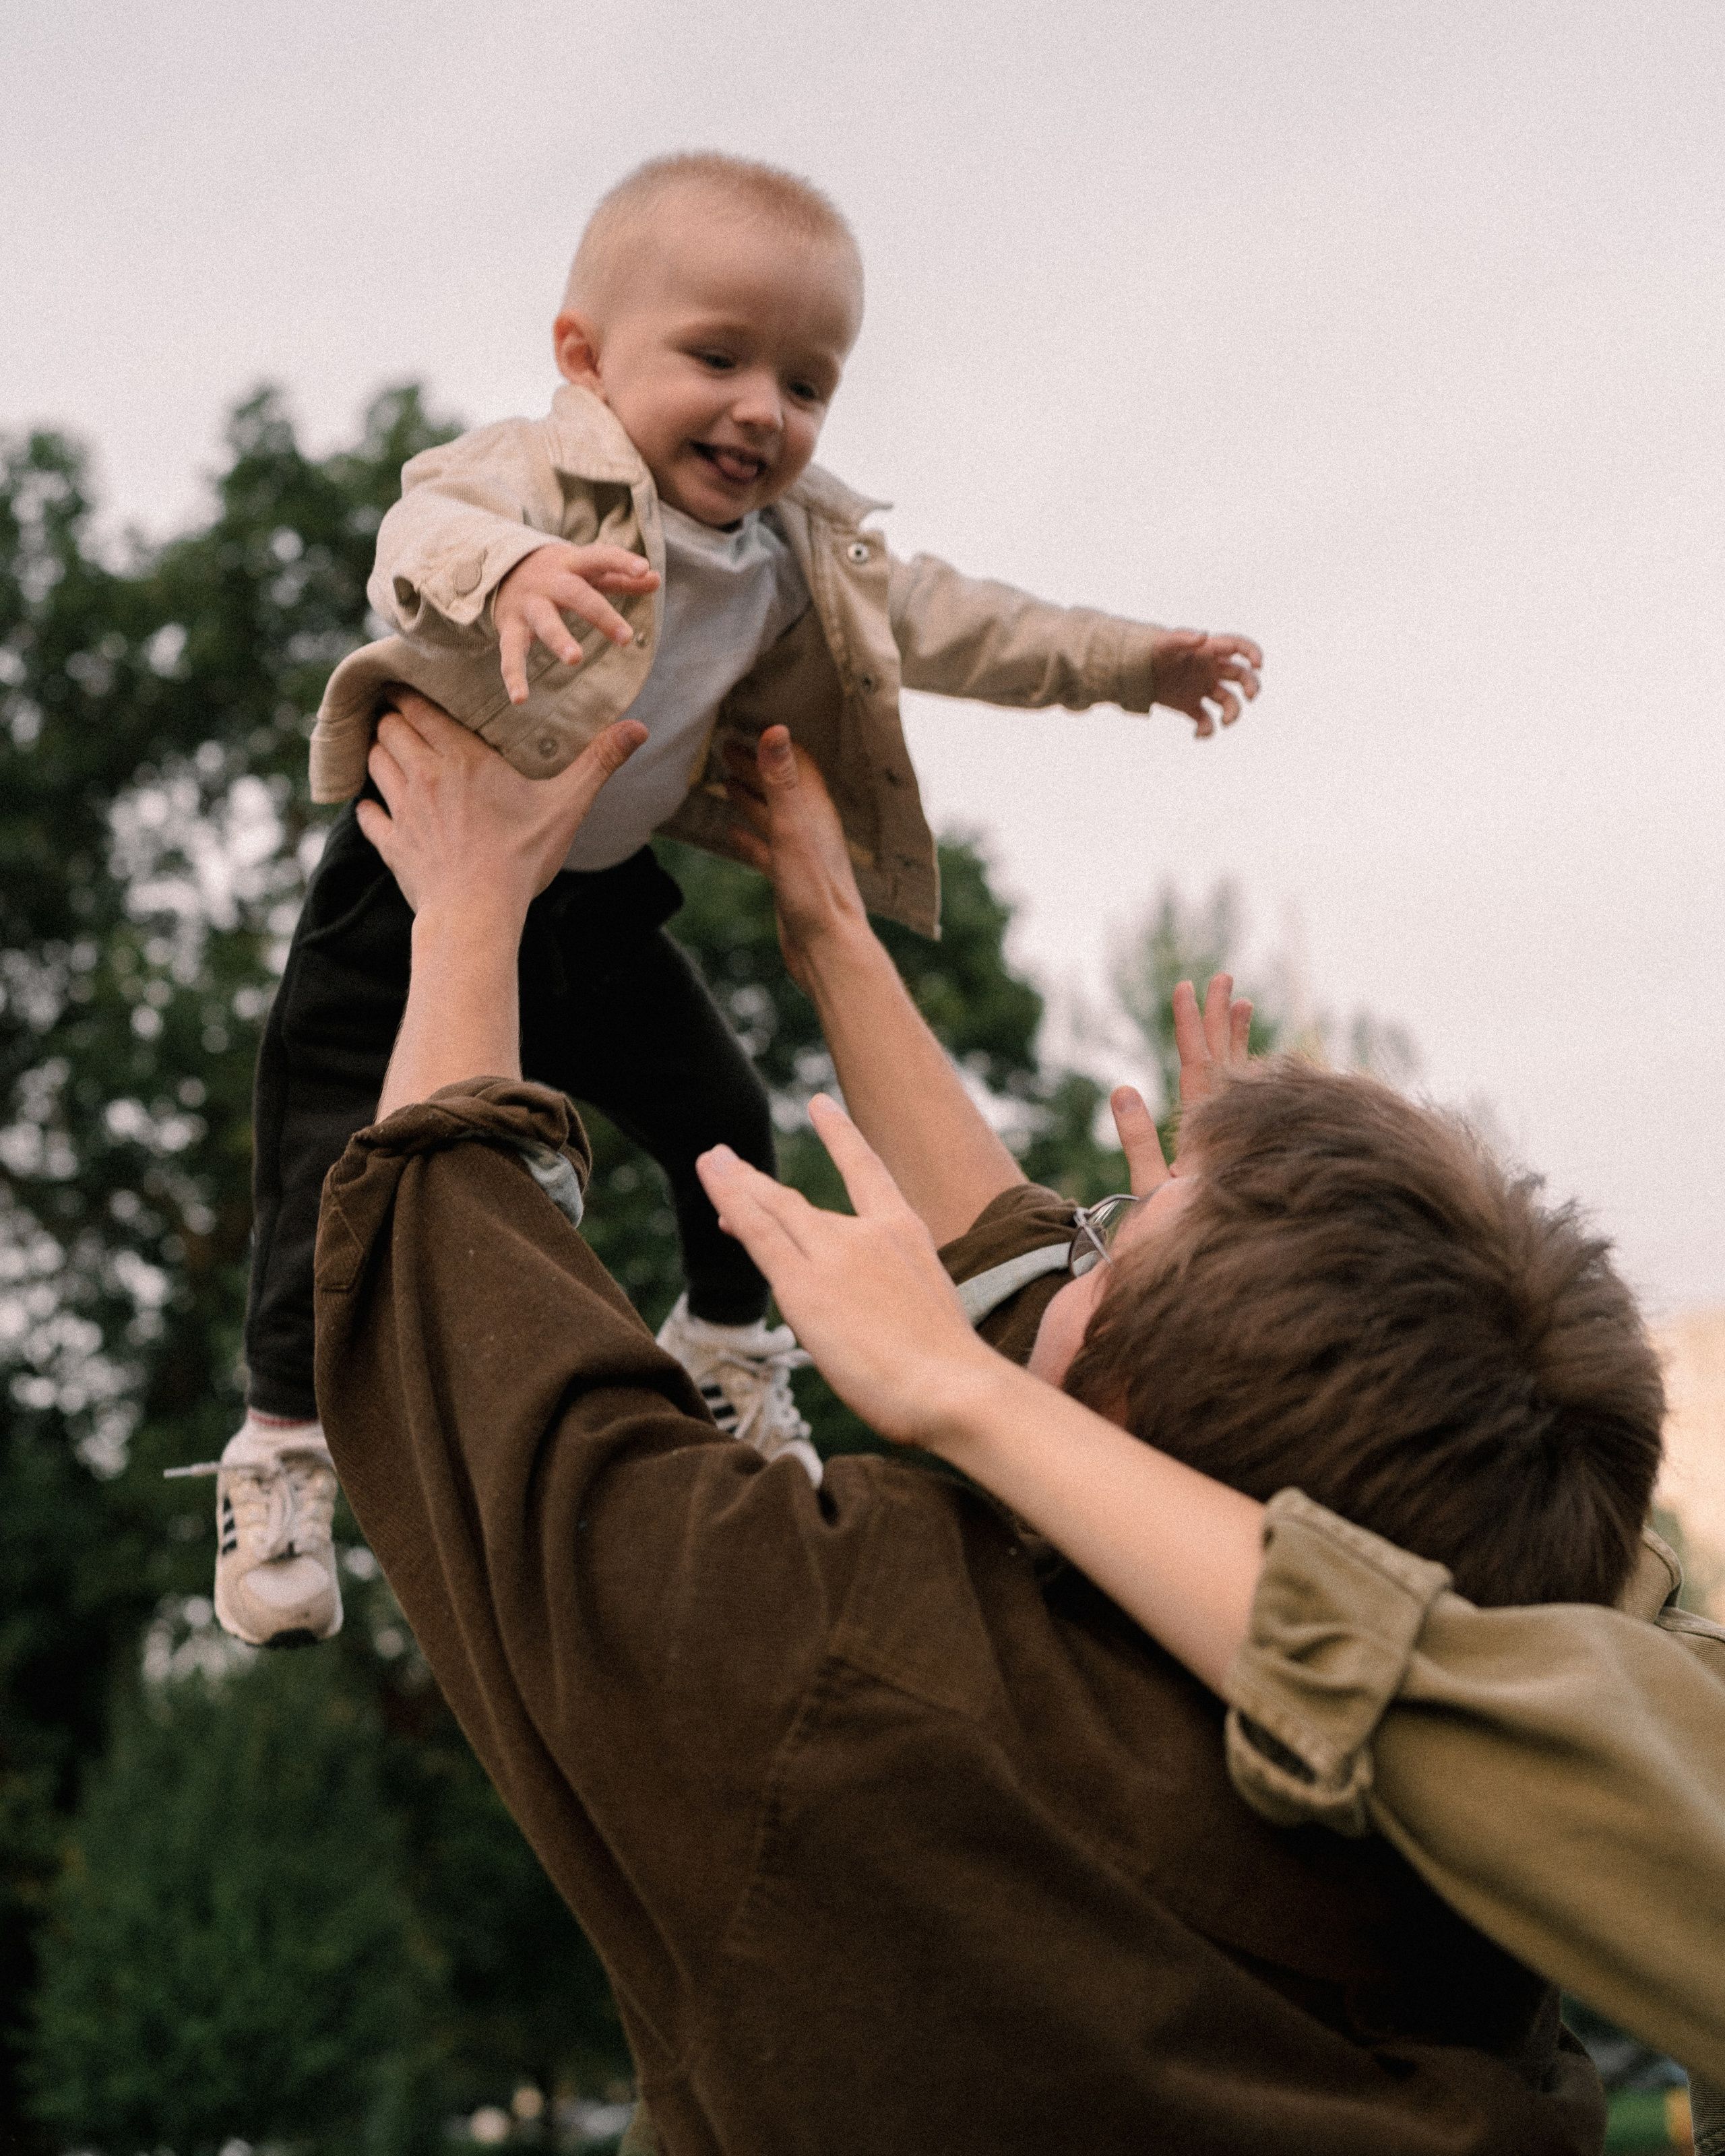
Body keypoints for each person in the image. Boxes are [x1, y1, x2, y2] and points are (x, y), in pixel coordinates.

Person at [316, 691, 1701, 2153]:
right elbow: (1042, 1332)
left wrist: (464, 908)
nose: (1073, 1236)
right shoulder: (1540, 1764)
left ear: (1113, 1414)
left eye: (1108, 1241)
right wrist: (830, 935)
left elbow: (473, 1338)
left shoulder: (842, 1664)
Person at [199, 150, 1263, 1649]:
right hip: (413, 868)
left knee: (721, 1116)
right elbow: (415, 533)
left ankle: (728, 1347)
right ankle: (283, 1444)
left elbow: (966, 622)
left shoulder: (795, 552)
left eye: (807, 382)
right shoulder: (530, 474)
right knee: (329, 1153)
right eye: (717, 358)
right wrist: (510, 576)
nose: (764, 409)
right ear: (585, 356)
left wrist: (1127, 664)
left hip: (592, 899)